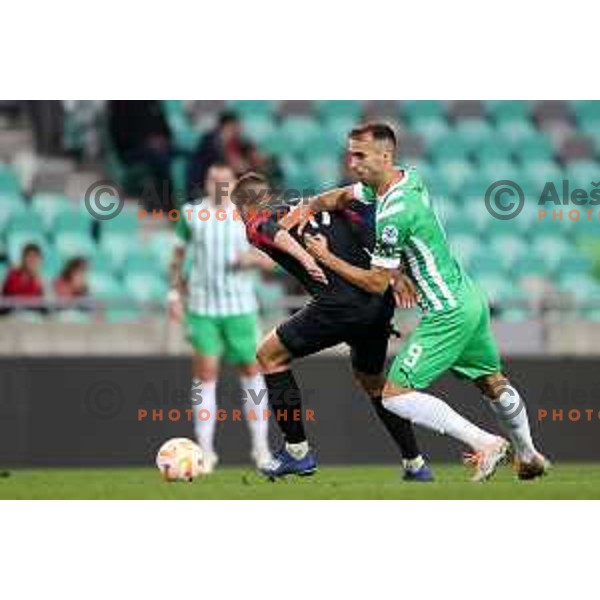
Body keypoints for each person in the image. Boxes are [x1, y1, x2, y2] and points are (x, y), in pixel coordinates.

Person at [292, 122, 549, 481]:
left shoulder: (395, 212)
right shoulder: (405, 178)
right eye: (350, 154)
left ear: (385, 155)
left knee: (394, 395)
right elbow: (342, 196)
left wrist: (325, 257)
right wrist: (309, 206)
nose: (352, 162)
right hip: (469, 298)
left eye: (360, 155)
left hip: (447, 311)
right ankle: (530, 454)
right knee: (492, 382)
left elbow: (376, 281)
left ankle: (485, 442)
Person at [231, 171, 433, 482]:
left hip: (338, 305)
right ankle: (415, 463)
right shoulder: (318, 205)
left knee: (269, 356)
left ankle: (297, 452)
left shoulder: (254, 220)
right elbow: (373, 231)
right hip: (378, 304)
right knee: (373, 382)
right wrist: (397, 273)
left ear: (242, 207)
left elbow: (270, 230)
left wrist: (305, 257)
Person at [169, 163, 273, 474]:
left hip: (240, 307)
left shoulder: (248, 214)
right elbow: (177, 257)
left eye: (224, 180)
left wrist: (252, 258)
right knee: (206, 374)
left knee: (252, 372)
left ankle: (261, 448)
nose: (218, 184)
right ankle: (205, 451)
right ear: (206, 181)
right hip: (202, 308)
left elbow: (273, 259)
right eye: (213, 179)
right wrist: (174, 295)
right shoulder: (190, 215)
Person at [2, 243, 44, 314]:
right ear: (23, 258)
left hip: (33, 315)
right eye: (29, 256)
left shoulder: (41, 279)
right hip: (11, 313)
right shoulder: (13, 274)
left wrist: (37, 280)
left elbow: (42, 302)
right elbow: (13, 296)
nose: (32, 260)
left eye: (35, 257)